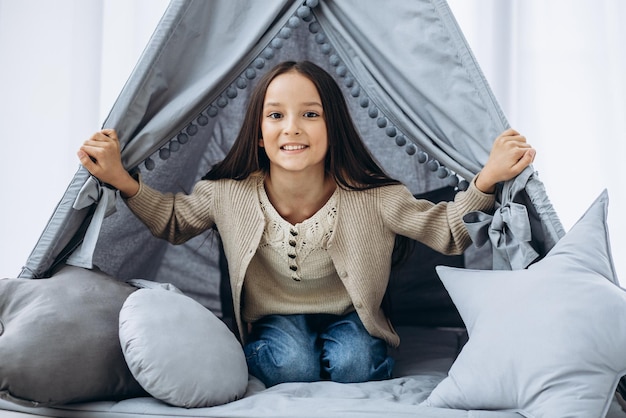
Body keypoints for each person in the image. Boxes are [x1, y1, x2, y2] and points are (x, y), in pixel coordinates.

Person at [77, 60, 535, 387]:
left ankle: (351, 350)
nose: (292, 128)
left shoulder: (374, 198)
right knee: (292, 365)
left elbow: (446, 230)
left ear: (332, 127)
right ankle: (291, 352)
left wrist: (487, 180)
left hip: (351, 315)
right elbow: (175, 220)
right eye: (276, 115)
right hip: (275, 317)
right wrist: (121, 180)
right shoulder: (228, 194)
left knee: (355, 363)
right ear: (259, 134)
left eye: (310, 115)